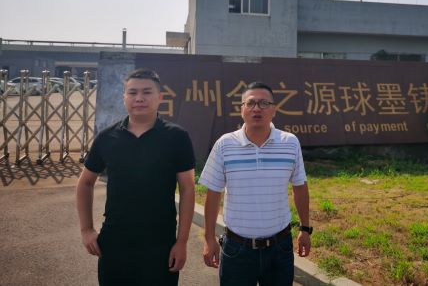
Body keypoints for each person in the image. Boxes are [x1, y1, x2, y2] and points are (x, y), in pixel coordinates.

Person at [76, 68, 196, 286]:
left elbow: (188, 189)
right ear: (124, 97)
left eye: (147, 92)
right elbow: (85, 182)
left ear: (160, 97)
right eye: (132, 92)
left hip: (160, 244)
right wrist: (86, 230)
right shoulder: (107, 137)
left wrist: (182, 242)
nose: (139, 98)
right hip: (114, 241)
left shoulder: (177, 137)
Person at [199, 81, 312, 286]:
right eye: (250, 103)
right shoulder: (225, 144)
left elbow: (300, 187)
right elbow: (213, 193)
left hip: (280, 248)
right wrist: (209, 239)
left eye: (264, 103)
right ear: (242, 109)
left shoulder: (290, 143)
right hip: (237, 249)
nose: (257, 108)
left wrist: (305, 228)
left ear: (274, 110)